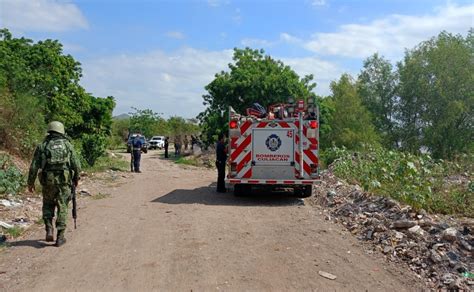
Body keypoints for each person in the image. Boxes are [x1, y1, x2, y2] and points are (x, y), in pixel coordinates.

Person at [27, 121, 81, 247]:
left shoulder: (43, 146)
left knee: (48, 205)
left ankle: (49, 228)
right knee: (62, 207)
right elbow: (76, 165)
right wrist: (76, 178)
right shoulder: (67, 145)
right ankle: (60, 237)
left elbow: (34, 166)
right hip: (64, 182)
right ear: (61, 131)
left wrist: (30, 182)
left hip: (48, 182)